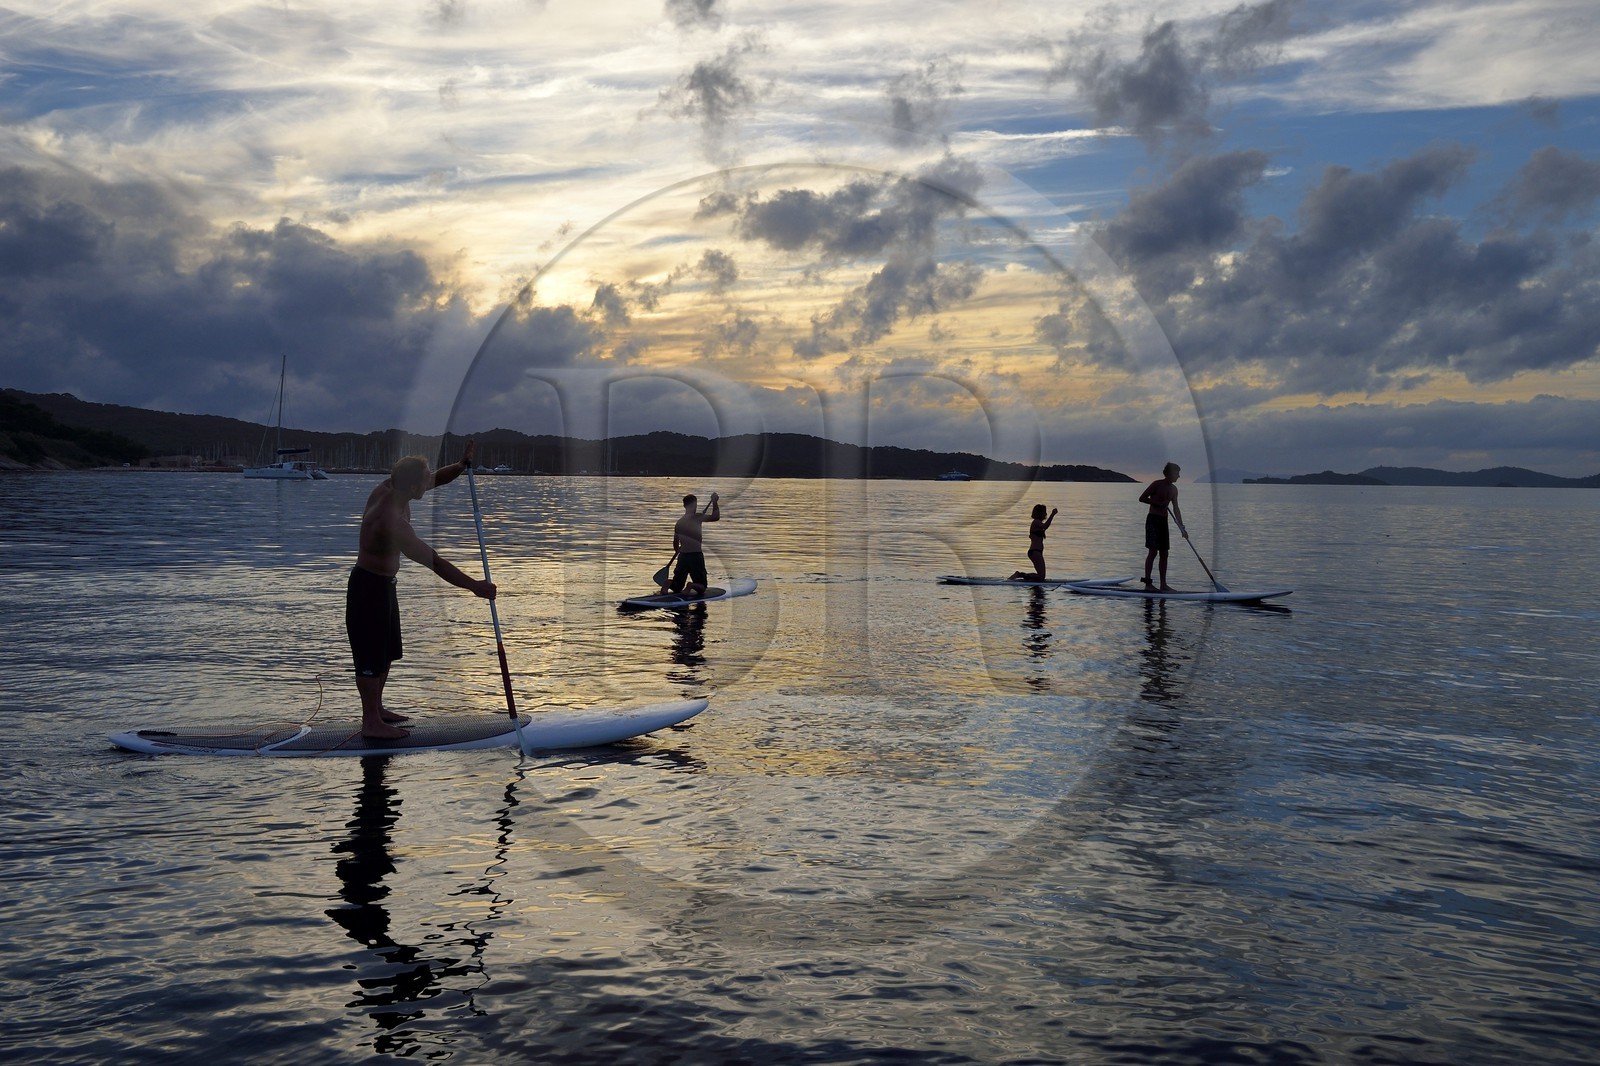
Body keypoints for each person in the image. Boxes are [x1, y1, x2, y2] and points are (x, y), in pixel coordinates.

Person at [346, 442, 496, 739]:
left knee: (385, 653)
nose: (430, 483)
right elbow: (435, 562)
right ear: (412, 485)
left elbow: (435, 478)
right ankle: (370, 722)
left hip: (385, 586)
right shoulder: (391, 520)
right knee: (370, 658)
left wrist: (460, 466)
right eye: (424, 480)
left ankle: (378, 709)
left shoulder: (396, 487)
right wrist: (474, 586)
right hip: (368, 588)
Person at [1139, 461, 1188, 592]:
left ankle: (1163, 585)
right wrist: (1155, 502)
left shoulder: (1174, 490)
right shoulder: (1157, 484)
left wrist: (1182, 527)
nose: (1179, 476)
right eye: (1177, 473)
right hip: (1153, 520)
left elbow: (1176, 508)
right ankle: (1148, 584)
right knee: (1153, 551)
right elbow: (1142, 498)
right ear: (1170, 473)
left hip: (1163, 521)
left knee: (1164, 553)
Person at [664, 491, 720, 597]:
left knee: (677, 587)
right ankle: (691, 585)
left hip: (683, 557)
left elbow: (675, 544)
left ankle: (667, 583)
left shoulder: (679, 522)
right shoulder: (697, 517)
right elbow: (715, 517)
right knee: (702, 587)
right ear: (694, 505)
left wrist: (678, 551)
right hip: (695, 556)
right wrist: (715, 502)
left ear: (684, 506)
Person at [1008, 503, 1057, 581]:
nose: (1046, 514)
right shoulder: (1036, 522)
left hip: (1036, 552)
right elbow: (1045, 526)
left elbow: (1043, 528)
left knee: (1040, 576)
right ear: (1040, 513)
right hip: (1035, 552)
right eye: (1044, 512)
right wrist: (1053, 514)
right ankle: (1019, 574)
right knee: (1041, 576)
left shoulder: (1038, 523)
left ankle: (1023, 577)